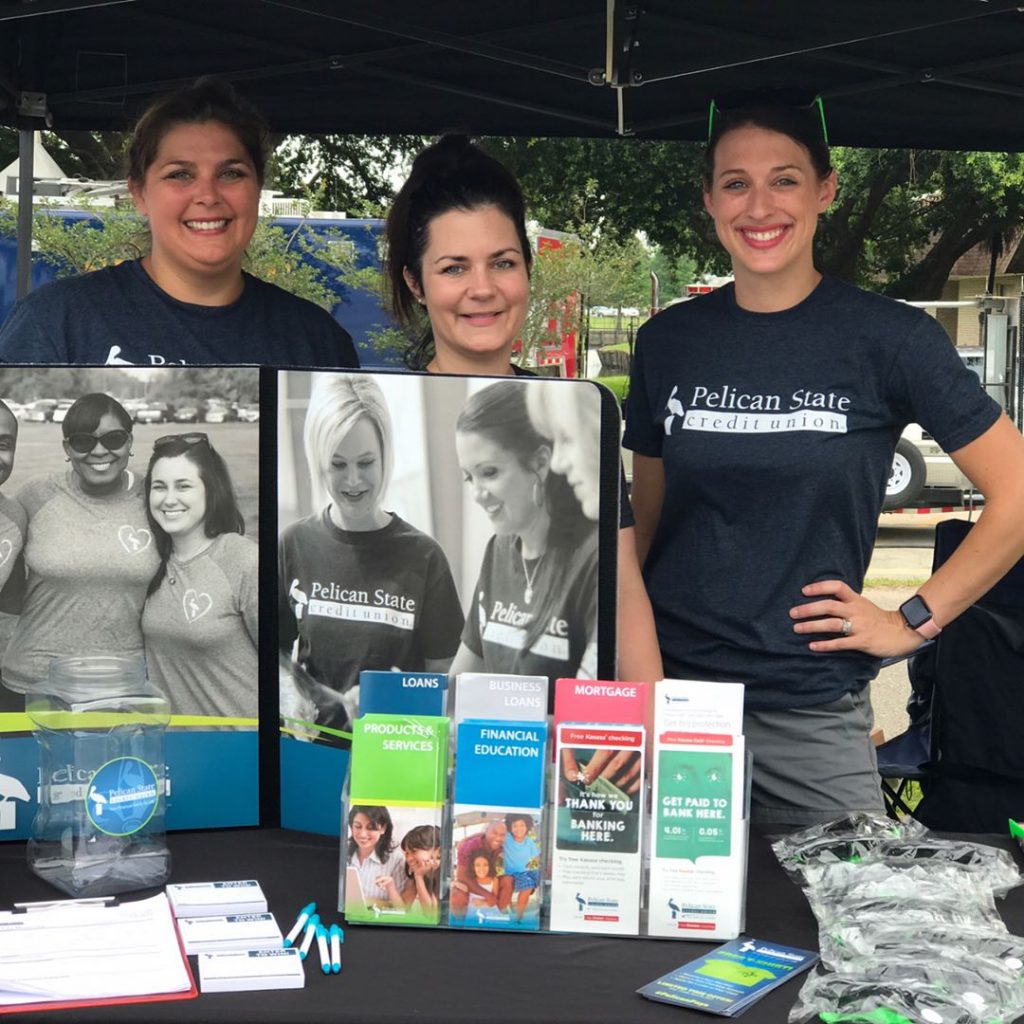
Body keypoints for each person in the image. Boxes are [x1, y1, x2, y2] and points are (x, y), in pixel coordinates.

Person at [624, 95, 1024, 826]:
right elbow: (643, 530)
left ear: (826, 189)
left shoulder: (889, 338)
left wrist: (910, 620)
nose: (759, 205)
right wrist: (629, 688)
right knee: (653, 934)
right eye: (736, 183)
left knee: (849, 926)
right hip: (672, 703)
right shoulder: (669, 342)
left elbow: (1018, 495)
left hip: (809, 715)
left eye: (784, 179)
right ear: (710, 199)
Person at [384, 134, 661, 682]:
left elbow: (626, 604)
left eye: (503, 262)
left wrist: (648, 736)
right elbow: (461, 677)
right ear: (416, 283)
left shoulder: (578, 416)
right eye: (454, 268)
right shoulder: (497, 550)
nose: (483, 289)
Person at [0, 77, 358, 368]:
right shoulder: (55, 322)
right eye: (180, 174)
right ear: (139, 193)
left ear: (257, 188)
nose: (207, 195)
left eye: (231, 173)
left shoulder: (317, 341)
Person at [278, 374, 464, 740]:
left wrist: (397, 699)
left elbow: (446, 684)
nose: (353, 481)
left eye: (366, 463)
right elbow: (269, 653)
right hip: (309, 755)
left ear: (385, 456)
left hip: (396, 759)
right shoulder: (293, 543)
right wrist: (287, 690)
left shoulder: (425, 557)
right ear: (319, 461)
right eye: (338, 464)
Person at [1, 394, 159, 695]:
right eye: (83, 442)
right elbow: (8, 590)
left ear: (129, 442)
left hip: (124, 686)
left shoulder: (154, 498)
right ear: (67, 448)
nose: (100, 452)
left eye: (114, 439)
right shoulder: (34, 496)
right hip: (31, 683)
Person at [451, 380, 598, 681]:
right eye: (468, 477)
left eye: (489, 473)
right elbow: (456, 687)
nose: (478, 493)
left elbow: (588, 716)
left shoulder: (593, 558)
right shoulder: (498, 550)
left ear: (541, 462)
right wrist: (395, 703)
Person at [141, 432, 257, 718]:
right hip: (176, 747)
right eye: (159, 487)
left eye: (183, 486)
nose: (169, 499)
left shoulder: (242, 558)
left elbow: (279, 663)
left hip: (240, 744)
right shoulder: (149, 562)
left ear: (210, 490)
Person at [345, 805, 406, 908]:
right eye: (358, 826)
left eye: (371, 827)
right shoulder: (344, 851)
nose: (363, 834)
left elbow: (401, 908)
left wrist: (370, 902)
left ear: (383, 828)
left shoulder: (396, 860)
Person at [378, 824, 442, 916]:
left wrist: (419, 876)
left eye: (414, 851)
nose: (409, 858)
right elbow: (403, 908)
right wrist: (390, 886)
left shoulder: (443, 877)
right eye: (407, 853)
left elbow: (431, 914)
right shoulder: (419, 873)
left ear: (436, 851)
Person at [449, 819, 507, 920]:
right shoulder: (470, 846)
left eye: (502, 835)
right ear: (486, 832)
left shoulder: (502, 844)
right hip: (470, 883)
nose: (498, 837)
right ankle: (459, 926)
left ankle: (501, 918)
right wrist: (488, 895)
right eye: (494, 833)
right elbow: (462, 877)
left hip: (489, 882)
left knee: (508, 881)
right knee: (456, 895)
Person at [500, 812, 540, 922]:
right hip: (514, 873)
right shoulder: (507, 838)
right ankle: (519, 916)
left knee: (541, 877)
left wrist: (534, 864)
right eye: (515, 826)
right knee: (528, 885)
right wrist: (500, 854)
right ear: (510, 828)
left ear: (527, 826)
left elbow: (536, 857)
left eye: (522, 825)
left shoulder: (529, 841)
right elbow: (495, 841)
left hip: (527, 870)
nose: (519, 829)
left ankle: (543, 908)